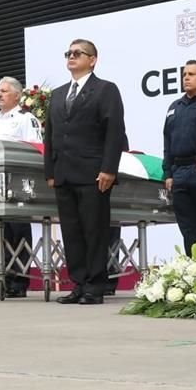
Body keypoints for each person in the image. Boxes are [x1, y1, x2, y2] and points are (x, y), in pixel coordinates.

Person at [44, 40, 126, 305]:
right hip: (64, 173)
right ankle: (78, 284)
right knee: (71, 232)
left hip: (93, 174)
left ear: (92, 59)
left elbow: (114, 132)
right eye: (68, 53)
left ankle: (95, 285)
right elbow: (50, 135)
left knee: (94, 230)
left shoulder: (105, 90)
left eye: (77, 53)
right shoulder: (58, 94)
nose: (71, 57)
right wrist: (50, 171)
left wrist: (109, 169)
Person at [0, 76, 43, 298]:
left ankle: (19, 282)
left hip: (18, 183)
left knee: (18, 231)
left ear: (17, 95)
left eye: (4, 91)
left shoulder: (26, 119)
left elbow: (35, 148)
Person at [162, 60, 196, 255]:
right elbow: (167, 141)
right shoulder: (174, 107)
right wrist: (168, 173)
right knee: (188, 228)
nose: (186, 78)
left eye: (191, 74)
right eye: (184, 75)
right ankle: (193, 267)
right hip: (179, 174)